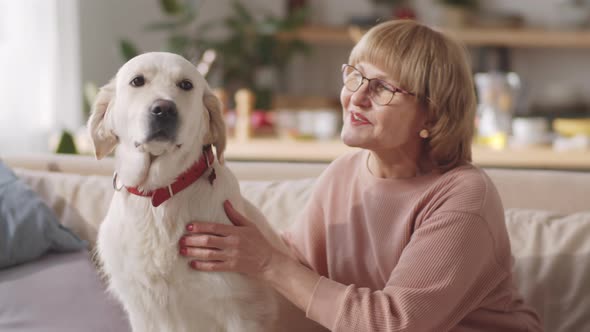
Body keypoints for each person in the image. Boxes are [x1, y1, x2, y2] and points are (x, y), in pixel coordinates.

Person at [178, 20, 543, 331]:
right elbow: (299, 265)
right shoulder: (343, 173)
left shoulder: (464, 196)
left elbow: (395, 323)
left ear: (431, 116)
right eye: (355, 76)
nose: (357, 96)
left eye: (382, 87)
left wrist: (269, 263)